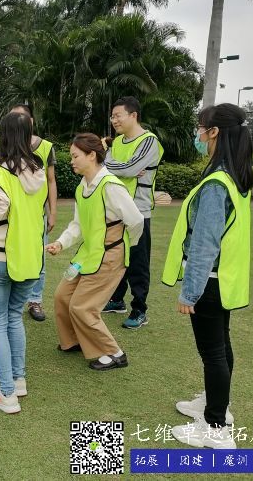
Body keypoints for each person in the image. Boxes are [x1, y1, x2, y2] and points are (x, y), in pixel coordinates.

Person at [164, 103, 253, 449]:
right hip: (223, 279)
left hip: (209, 281)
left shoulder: (218, 183)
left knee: (213, 352)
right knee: (221, 346)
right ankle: (218, 405)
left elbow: (204, 243)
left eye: (200, 128)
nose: (198, 134)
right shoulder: (234, 175)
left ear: (214, 132)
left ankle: (215, 428)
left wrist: (190, 292)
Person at [46, 133, 143, 371]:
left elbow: (136, 221)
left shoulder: (110, 186)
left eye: (75, 156)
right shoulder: (83, 186)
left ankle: (114, 353)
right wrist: (60, 243)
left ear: (91, 156)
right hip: (88, 255)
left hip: (109, 256)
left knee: (83, 307)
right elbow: (78, 224)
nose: (71, 161)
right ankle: (74, 341)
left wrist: (121, 247)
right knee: (62, 296)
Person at [0, 112, 47, 413]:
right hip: (30, 256)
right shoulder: (39, 171)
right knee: (14, 317)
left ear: (3, 136)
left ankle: (6, 394)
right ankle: (18, 381)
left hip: (0, 256)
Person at [102, 96, 163, 329]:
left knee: (138, 260)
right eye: (112, 116)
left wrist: (117, 167)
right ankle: (117, 300)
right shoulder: (117, 141)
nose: (114, 120)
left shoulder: (149, 141)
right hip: (117, 208)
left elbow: (128, 168)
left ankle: (140, 309)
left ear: (133, 115)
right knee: (118, 256)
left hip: (138, 210)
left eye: (118, 115)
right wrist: (121, 168)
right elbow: (108, 165)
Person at [7, 104, 58, 322]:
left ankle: (35, 300)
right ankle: (13, 298)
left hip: (38, 214)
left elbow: (51, 180)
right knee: (12, 253)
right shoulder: (5, 146)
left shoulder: (45, 147)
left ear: (31, 121)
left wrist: (52, 212)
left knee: (39, 257)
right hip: (13, 215)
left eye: (21, 117)